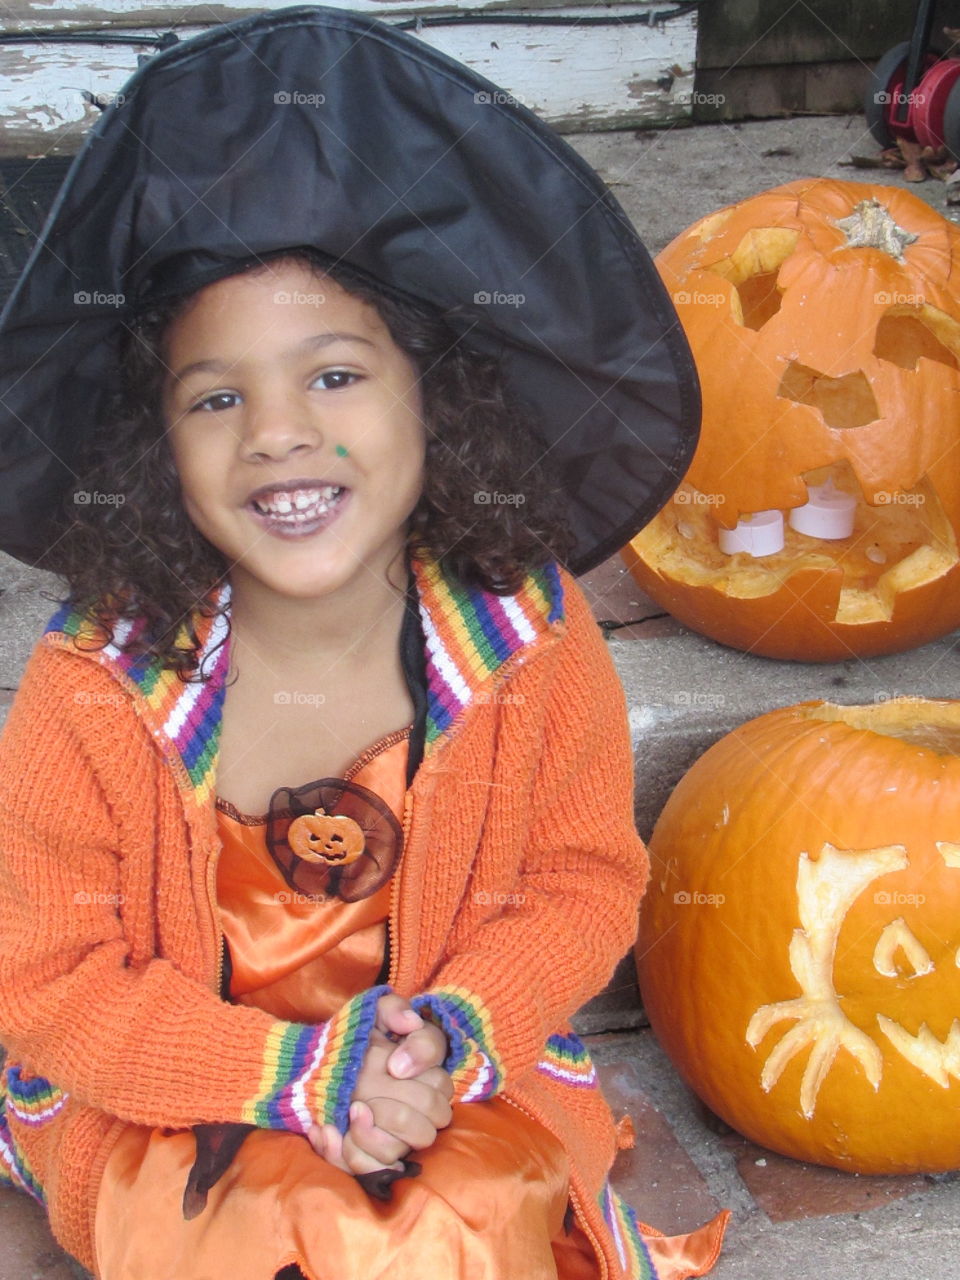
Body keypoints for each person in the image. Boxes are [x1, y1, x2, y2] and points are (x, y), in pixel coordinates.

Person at [0, 8, 728, 1279]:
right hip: (180, 1092)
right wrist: (288, 1071)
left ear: (434, 399)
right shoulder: (99, 685)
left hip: (444, 1074)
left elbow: (581, 884)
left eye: (333, 375)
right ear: (155, 449)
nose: (277, 431)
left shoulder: (528, 639)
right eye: (216, 397)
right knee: (272, 1230)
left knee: (478, 1211)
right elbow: (48, 977)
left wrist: (449, 1037)